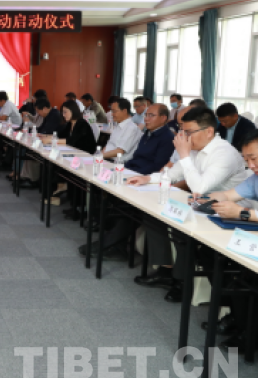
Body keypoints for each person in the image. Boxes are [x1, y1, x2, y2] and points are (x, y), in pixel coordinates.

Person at [128, 107, 251, 302]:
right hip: (206, 206)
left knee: (183, 232)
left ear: (208, 131)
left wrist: (184, 155)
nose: (183, 137)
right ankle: (166, 271)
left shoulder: (224, 153)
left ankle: (181, 283)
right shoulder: (196, 148)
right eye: (182, 131)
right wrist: (147, 178)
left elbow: (199, 187)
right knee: (154, 216)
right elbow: (173, 174)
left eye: (188, 132)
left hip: (231, 213)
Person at [78, 104, 175, 256]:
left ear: (163, 118)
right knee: (108, 194)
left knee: (127, 208)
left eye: (151, 115)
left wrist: (132, 175)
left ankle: (107, 244)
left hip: (148, 181)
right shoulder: (147, 133)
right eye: (146, 115)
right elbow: (136, 158)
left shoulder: (167, 138)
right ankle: (115, 243)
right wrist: (124, 171)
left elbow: (157, 166)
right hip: (133, 174)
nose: (146, 119)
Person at [202, 129, 258, 352]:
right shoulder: (255, 178)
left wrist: (243, 213)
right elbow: (228, 195)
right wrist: (205, 198)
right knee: (209, 254)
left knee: (245, 275)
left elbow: (243, 211)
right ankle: (238, 318)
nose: (250, 166)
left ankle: (248, 331)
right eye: (246, 160)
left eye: (254, 158)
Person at [15, 98, 66, 186]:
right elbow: (41, 129)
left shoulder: (54, 115)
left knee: (31, 152)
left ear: (45, 108)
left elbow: (47, 131)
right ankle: (27, 177)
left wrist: (38, 133)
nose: (38, 113)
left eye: (38, 111)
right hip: (49, 142)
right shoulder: (49, 114)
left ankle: (32, 179)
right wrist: (32, 131)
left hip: (56, 144)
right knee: (27, 150)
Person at [101, 98, 142, 162]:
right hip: (106, 158)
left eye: (114, 111)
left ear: (124, 111)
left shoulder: (131, 128)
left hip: (118, 163)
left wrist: (100, 156)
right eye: (112, 111)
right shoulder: (119, 125)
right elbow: (109, 145)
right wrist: (100, 154)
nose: (112, 114)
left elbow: (120, 151)